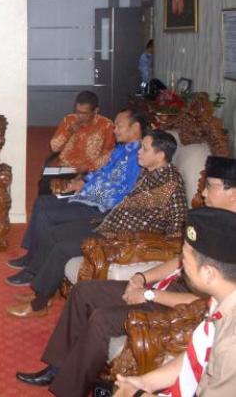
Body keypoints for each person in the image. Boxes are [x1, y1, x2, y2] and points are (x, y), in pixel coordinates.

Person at [15, 155, 236, 396]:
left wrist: (150, 295)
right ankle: (56, 368)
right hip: (168, 287)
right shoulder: (212, 219)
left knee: (102, 320)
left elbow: (208, 303)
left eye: (210, 185)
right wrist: (142, 277)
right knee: (84, 291)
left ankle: (67, 390)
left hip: (183, 307)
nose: (203, 192)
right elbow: (179, 261)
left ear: (233, 193)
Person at [7, 129, 187, 318]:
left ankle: (39, 305)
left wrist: (157, 249)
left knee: (62, 249)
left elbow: (177, 230)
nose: (139, 152)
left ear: (160, 155)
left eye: (145, 149)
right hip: (108, 223)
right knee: (53, 233)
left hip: (123, 238)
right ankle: (43, 292)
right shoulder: (148, 171)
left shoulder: (171, 185)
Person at [114, 205, 236, 396]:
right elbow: (198, 353)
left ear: (208, 273)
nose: (181, 265)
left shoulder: (232, 345)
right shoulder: (222, 298)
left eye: (185, 260)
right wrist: (145, 383)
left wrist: (135, 394)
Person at [8, 108, 147, 275]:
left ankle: (34, 269)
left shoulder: (139, 158)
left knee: (46, 214)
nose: (115, 129)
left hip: (101, 209)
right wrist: (83, 181)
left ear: (135, 127)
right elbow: (101, 173)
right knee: (41, 202)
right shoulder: (121, 150)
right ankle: (32, 256)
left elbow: (120, 193)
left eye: (119, 125)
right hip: (88, 197)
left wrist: (86, 188)